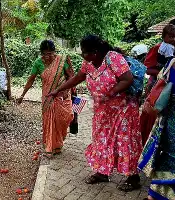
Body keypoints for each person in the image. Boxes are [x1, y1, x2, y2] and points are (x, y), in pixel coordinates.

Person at [48, 35, 143, 192]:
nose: (83, 55)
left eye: (85, 52)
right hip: (102, 111)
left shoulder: (113, 58)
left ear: (96, 51)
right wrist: (59, 89)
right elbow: (79, 77)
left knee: (125, 142)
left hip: (123, 111)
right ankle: (102, 172)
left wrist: (109, 93)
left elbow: (127, 79)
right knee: (101, 140)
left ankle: (133, 178)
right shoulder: (89, 63)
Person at [17, 40, 74, 157]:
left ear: (55, 52)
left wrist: (66, 91)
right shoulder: (38, 63)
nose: (48, 57)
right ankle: (50, 147)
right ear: (41, 53)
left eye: (51, 53)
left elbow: (71, 77)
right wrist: (22, 95)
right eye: (45, 54)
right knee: (50, 122)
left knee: (65, 118)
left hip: (63, 96)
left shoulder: (62, 60)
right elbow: (31, 80)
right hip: (48, 98)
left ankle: (58, 144)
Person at [140, 56, 175, 200]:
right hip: (173, 121)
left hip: (171, 121)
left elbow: (159, 87)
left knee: (169, 155)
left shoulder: (171, 63)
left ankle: (154, 195)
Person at [141, 20, 175, 145]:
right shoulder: (158, 49)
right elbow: (147, 67)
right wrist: (162, 72)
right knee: (148, 119)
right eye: (171, 36)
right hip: (158, 89)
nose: (174, 39)